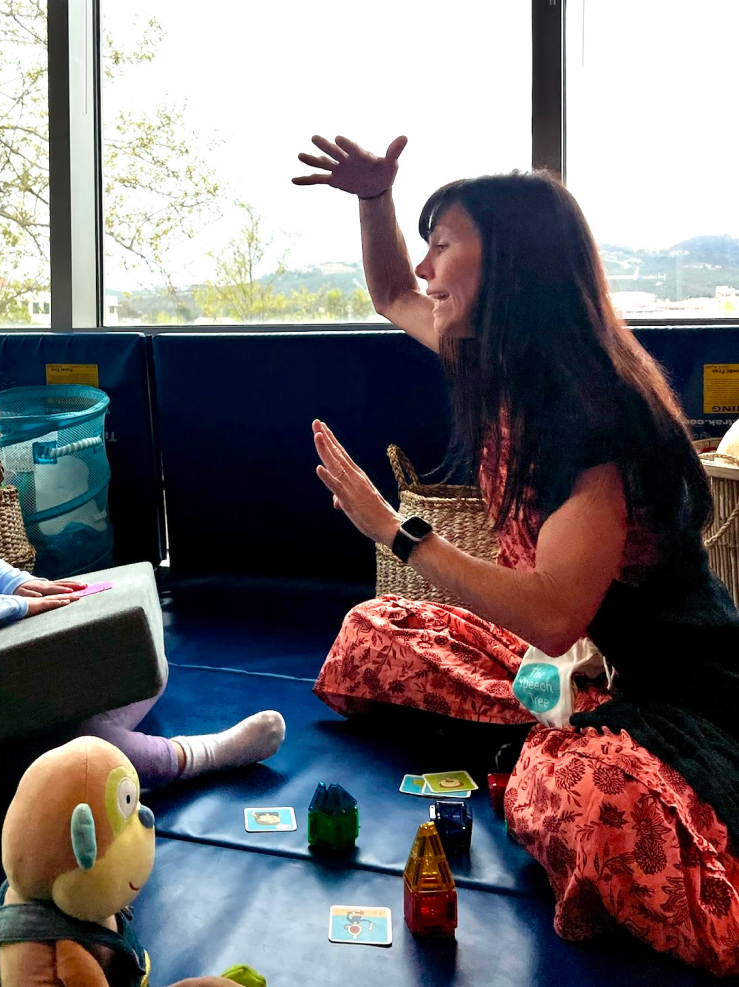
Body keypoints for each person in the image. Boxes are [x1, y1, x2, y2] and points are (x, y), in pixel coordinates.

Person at [294, 135, 739, 974]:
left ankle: (552, 750)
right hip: (574, 665)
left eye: (444, 245)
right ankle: (546, 731)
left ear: (509, 267)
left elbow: (552, 606)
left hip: (676, 692)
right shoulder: (494, 360)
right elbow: (391, 289)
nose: (426, 269)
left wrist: (398, 532)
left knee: (582, 796)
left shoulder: (591, 412)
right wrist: (372, 200)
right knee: (372, 632)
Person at [0, 353, 284, 789]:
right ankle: (198, 756)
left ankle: (87, 722)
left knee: (147, 661)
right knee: (88, 750)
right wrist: (8, 606)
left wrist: (20, 582)